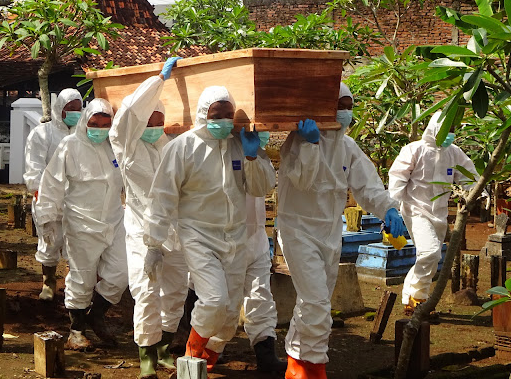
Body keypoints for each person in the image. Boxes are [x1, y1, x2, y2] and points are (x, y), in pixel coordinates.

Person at [143, 86, 276, 372]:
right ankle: (191, 354)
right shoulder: (182, 147)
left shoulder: (239, 145)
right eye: (217, 115)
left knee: (229, 311)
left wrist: (254, 157)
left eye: (229, 115)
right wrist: (154, 244)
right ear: (204, 114)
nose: (224, 121)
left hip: (236, 236)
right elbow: (163, 197)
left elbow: (261, 187)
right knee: (214, 299)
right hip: (198, 235)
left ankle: (209, 354)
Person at [277, 82, 404, 379]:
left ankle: (298, 364)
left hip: (331, 232)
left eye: (349, 107)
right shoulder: (298, 141)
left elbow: (367, 185)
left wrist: (388, 208)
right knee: (316, 302)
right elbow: (302, 181)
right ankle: (313, 368)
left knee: (316, 301)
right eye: (340, 106)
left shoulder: (347, 146)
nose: (345, 113)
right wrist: (309, 146)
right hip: (298, 229)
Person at [108, 57, 188, 378]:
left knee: (176, 291)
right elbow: (126, 115)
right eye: (148, 121)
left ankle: (165, 349)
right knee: (145, 292)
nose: (153, 127)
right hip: (142, 233)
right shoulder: (127, 147)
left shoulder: (173, 146)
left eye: (159, 121)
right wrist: (158, 81)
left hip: (176, 232)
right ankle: (146, 357)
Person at [35, 98, 128, 350]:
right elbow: (51, 183)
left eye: (105, 124)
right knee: (82, 278)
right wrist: (47, 220)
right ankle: (76, 330)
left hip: (114, 220)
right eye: (94, 123)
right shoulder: (70, 145)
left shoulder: (116, 146)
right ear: (86, 121)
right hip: (81, 222)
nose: (99, 128)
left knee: (122, 273)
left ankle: (96, 315)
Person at [388, 110, 480, 315]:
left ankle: (409, 298)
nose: (451, 134)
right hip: (415, 210)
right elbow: (396, 180)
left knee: (430, 256)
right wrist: (391, 211)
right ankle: (419, 299)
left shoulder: (454, 152)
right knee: (430, 252)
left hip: (439, 214)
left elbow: (470, 177)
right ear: (435, 128)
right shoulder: (414, 150)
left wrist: (473, 194)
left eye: (453, 130)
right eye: (447, 129)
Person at [24, 88, 82, 301]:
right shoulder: (43, 133)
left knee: (74, 242)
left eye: (78, 109)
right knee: (50, 240)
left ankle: (70, 284)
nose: (75, 113)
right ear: (60, 109)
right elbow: (34, 166)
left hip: (76, 198)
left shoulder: (82, 133)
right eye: (70, 109)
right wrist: (40, 193)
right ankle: (48, 282)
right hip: (48, 196)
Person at [241, 191, 287, 374]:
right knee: (218, 301)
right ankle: (208, 349)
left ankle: (266, 356)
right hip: (219, 238)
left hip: (255, 236)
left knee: (260, 296)